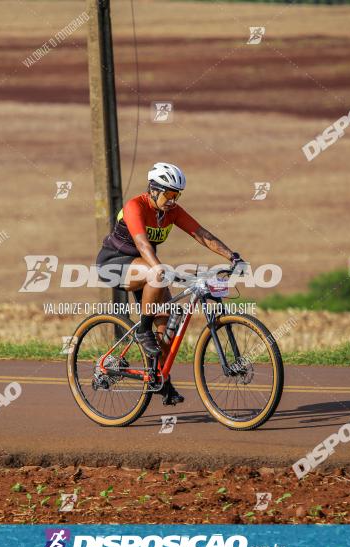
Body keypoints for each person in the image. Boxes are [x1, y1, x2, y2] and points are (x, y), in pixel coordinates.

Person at [95, 162, 245, 406]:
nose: (173, 200)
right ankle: (143, 331)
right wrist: (159, 269)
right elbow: (143, 245)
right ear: (153, 189)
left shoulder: (171, 212)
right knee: (156, 276)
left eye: (177, 195)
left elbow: (202, 234)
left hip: (144, 265)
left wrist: (232, 256)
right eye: (169, 194)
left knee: (167, 326)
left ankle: (161, 381)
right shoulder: (135, 206)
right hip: (114, 263)